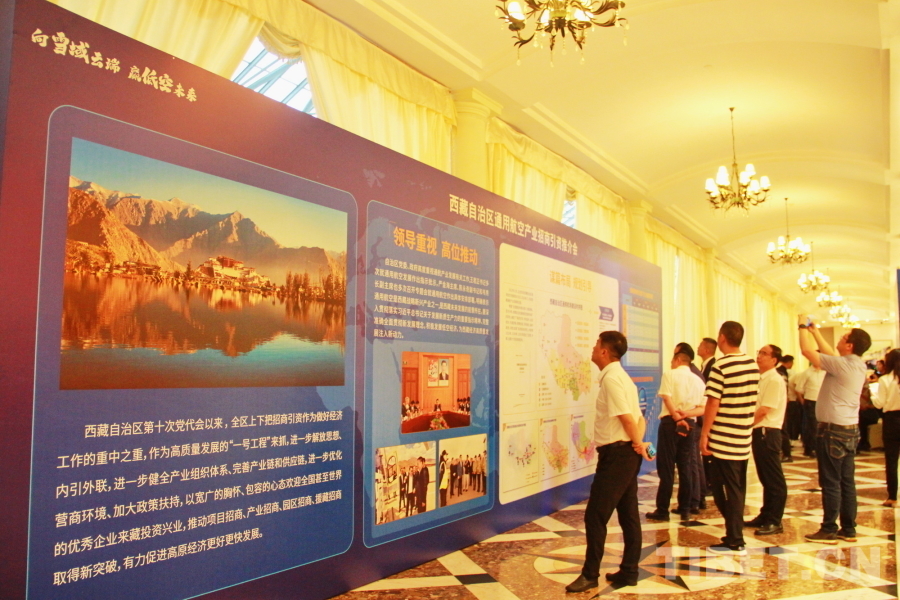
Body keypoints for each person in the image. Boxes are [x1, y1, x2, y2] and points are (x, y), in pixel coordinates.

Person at [566, 331, 653, 594]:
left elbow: (628, 418)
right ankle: (629, 571)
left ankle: (590, 575)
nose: (593, 348)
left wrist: (637, 444)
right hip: (624, 455)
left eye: (596, 344)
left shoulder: (613, 379)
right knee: (628, 514)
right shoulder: (622, 377)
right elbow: (640, 417)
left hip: (617, 456)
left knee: (595, 516)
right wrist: (638, 444)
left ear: (604, 351)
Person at [799, 316, 871, 544]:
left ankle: (829, 528)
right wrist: (815, 332)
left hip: (832, 431)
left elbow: (807, 351)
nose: (839, 338)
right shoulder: (856, 364)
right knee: (847, 481)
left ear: (850, 345)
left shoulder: (842, 365)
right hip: (849, 429)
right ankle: (849, 528)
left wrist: (802, 328)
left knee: (830, 481)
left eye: (843, 337)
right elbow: (830, 353)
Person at [700, 321, 758, 555]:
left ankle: (735, 538)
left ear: (722, 337)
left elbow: (713, 402)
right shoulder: (752, 364)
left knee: (724, 490)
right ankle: (734, 531)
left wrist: (705, 433)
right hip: (742, 436)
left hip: (723, 438)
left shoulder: (721, 366)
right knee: (736, 488)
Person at [647, 352, 705, 521]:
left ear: (678, 360)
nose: (671, 363)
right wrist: (686, 415)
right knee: (685, 466)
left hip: (671, 423)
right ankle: (685, 508)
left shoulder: (670, 375)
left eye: (672, 360)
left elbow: (666, 398)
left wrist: (678, 418)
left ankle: (662, 509)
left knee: (666, 468)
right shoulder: (698, 380)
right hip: (690, 424)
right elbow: (702, 408)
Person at [745, 344, 788, 535]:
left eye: (764, 353)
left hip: (768, 432)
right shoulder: (762, 378)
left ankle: (775, 520)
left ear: (774, 360)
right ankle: (765, 515)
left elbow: (764, 410)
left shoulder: (774, 380)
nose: (759, 356)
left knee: (773, 478)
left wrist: (745, 425)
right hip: (760, 432)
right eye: (759, 352)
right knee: (765, 477)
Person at [873, 348, 900, 507]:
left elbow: (880, 403)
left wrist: (872, 395)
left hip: (892, 420)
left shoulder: (885, 380)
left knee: (891, 459)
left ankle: (892, 496)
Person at [797, 364, 826, 458]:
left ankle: (819, 447)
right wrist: (802, 401)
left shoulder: (824, 372)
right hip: (810, 400)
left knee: (821, 425)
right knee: (812, 426)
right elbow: (799, 388)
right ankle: (810, 448)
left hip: (822, 400)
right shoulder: (807, 373)